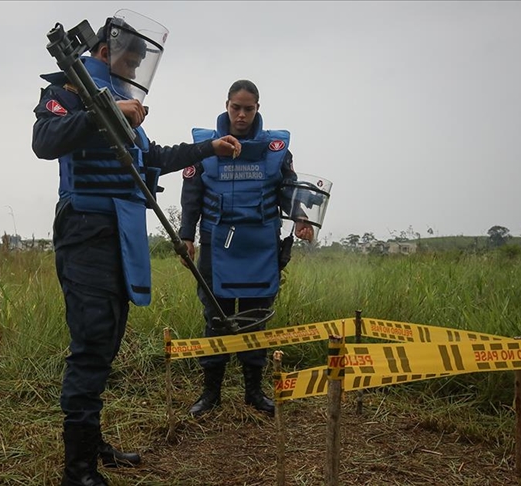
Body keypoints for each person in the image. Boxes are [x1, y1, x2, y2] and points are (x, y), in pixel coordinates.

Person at [31, 14, 242, 486]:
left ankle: (93, 444)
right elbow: (43, 141)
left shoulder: (122, 103)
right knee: (90, 346)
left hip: (122, 235)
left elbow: (156, 159)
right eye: (128, 59)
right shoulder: (68, 91)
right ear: (105, 52)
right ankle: (78, 470)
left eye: (139, 64)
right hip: (86, 232)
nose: (132, 70)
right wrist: (97, 115)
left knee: (105, 343)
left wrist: (209, 149)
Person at [178, 79, 314, 418]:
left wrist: (300, 217)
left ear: (257, 109)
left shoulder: (276, 148)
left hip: (261, 245)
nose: (241, 115)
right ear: (226, 106)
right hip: (215, 244)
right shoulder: (205, 146)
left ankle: (254, 391)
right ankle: (211, 393)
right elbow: (191, 195)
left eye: (248, 109)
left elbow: (288, 189)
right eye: (236, 108)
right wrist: (186, 236)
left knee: (255, 319)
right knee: (216, 319)